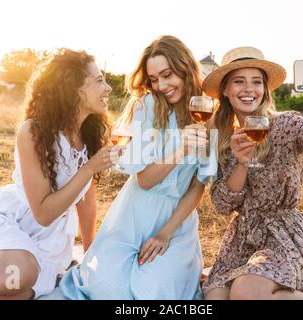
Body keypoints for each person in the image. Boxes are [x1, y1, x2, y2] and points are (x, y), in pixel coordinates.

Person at [0, 49, 119, 299]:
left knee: (19, 291)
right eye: (99, 80)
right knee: (18, 274)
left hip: (49, 243)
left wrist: (89, 253)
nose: (108, 87)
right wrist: (90, 168)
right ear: (74, 88)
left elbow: (86, 198)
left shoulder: (89, 134)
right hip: (9, 221)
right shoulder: (34, 132)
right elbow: (43, 214)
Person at [201, 47, 303, 300]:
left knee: (246, 291)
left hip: (285, 236)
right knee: (215, 297)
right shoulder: (220, 137)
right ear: (225, 90)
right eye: (239, 81)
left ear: (265, 90)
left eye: (256, 82)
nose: (249, 89)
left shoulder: (287, 125)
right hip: (242, 240)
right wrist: (242, 162)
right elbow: (223, 204)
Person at [59, 35, 218, 300]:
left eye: (167, 75)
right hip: (134, 213)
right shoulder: (149, 105)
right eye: (154, 79)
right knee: (107, 291)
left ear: (186, 68)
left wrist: (166, 233)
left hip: (176, 222)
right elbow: (144, 180)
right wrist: (180, 149)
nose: (162, 85)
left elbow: (198, 186)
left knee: (156, 293)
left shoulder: (208, 112)